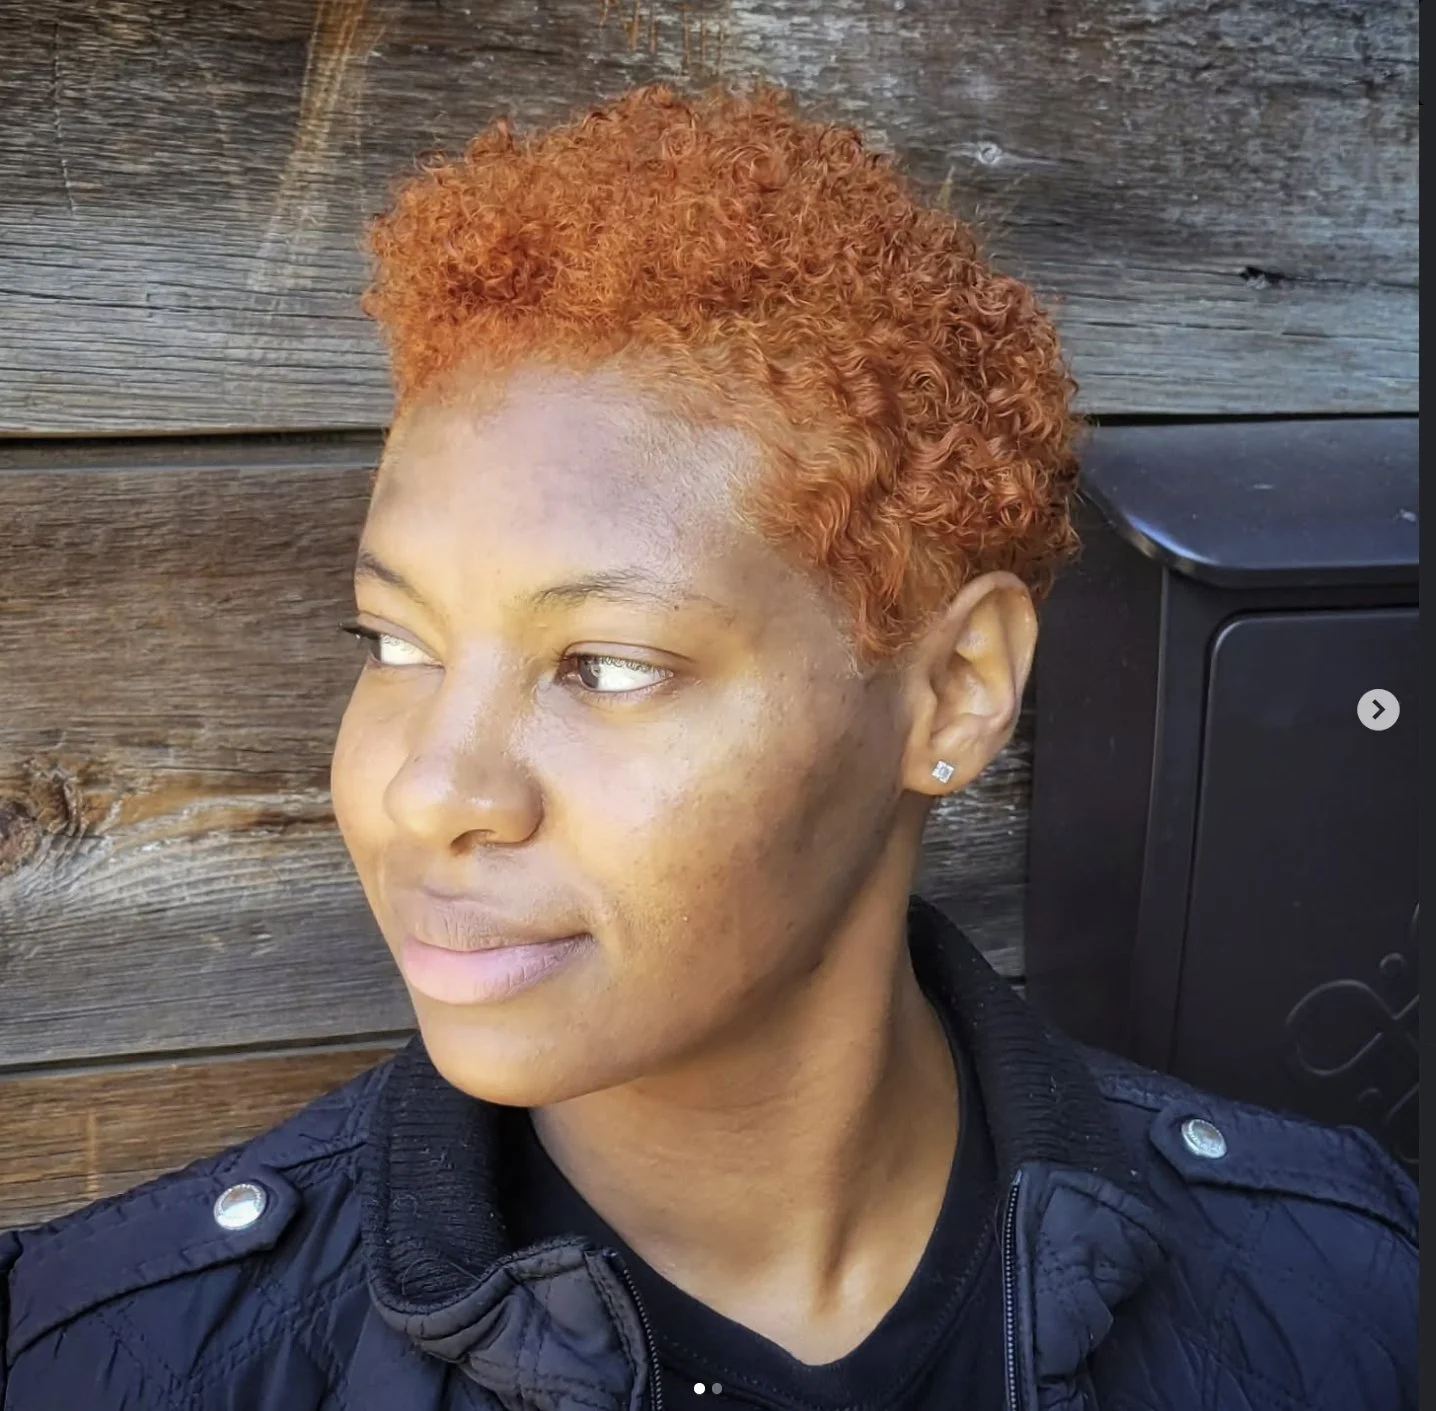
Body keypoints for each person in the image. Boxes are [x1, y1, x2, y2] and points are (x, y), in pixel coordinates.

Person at [0, 82, 1416, 1411]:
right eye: (396, 644)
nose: (428, 789)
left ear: (955, 693)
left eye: (605, 665)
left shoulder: (1344, 1293)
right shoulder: (116, 1356)